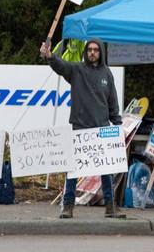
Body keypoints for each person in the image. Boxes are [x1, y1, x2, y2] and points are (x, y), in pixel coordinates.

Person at [40, 38, 124, 219]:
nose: (92, 52)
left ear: (101, 52)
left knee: (106, 170)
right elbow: (61, 65)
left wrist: (117, 124)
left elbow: (112, 102)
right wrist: (49, 56)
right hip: (80, 127)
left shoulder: (107, 74)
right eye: (90, 50)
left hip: (102, 128)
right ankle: (68, 206)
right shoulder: (77, 70)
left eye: (96, 50)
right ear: (86, 52)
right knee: (73, 170)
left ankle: (111, 207)